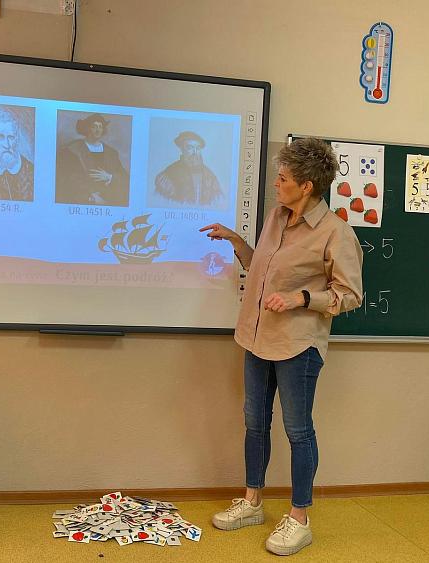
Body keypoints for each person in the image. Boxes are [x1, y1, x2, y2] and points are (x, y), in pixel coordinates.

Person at [199, 137, 363, 556]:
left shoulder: (336, 232)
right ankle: (252, 501)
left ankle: (299, 518)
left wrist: (300, 299)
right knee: (254, 422)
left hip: (298, 347)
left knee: (298, 430)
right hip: (257, 338)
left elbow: (350, 295)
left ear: (306, 186)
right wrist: (237, 242)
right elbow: (263, 268)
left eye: (284, 178)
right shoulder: (276, 217)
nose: (276, 183)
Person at [55, 113, 130, 206]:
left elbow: (125, 178)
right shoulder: (73, 150)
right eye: (94, 126)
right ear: (87, 128)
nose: (98, 130)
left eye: (100, 127)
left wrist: (110, 177)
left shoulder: (111, 153)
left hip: (109, 199)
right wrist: (90, 196)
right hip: (82, 199)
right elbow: (67, 178)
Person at [155, 131, 224, 206]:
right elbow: (160, 202)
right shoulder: (169, 174)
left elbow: (218, 202)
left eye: (198, 148)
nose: (195, 152)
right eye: (190, 148)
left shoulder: (210, 176)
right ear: (182, 150)